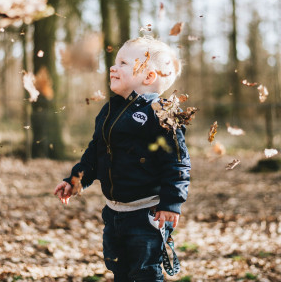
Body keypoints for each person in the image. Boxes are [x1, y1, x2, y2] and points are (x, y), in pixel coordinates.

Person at [54, 36, 191, 282]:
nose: (113, 67)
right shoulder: (109, 111)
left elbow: (177, 162)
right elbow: (95, 152)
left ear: (148, 76)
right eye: (115, 62)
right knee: (120, 270)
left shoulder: (162, 112)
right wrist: (75, 180)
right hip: (114, 212)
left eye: (124, 63)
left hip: (147, 214)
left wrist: (171, 203)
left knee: (145, 272)